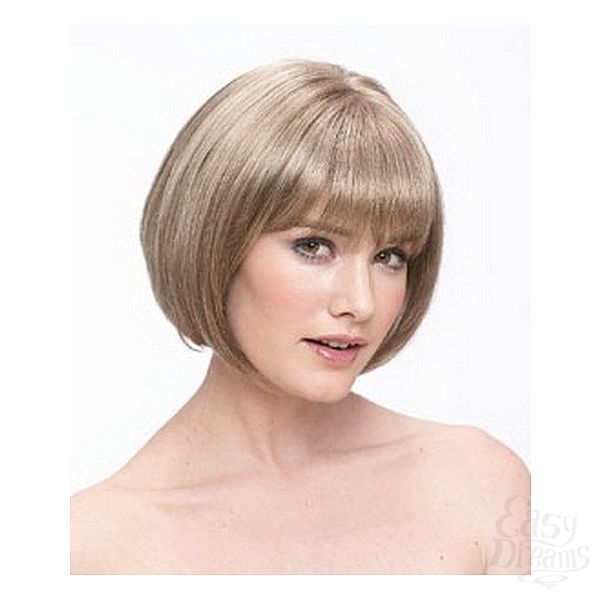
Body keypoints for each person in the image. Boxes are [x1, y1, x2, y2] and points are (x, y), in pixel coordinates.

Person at [70, 59, 530, 575]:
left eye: (389, 256)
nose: (361, 302)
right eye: (314, 246)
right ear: (211, 244)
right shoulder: (91, 550)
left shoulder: (478, 485)